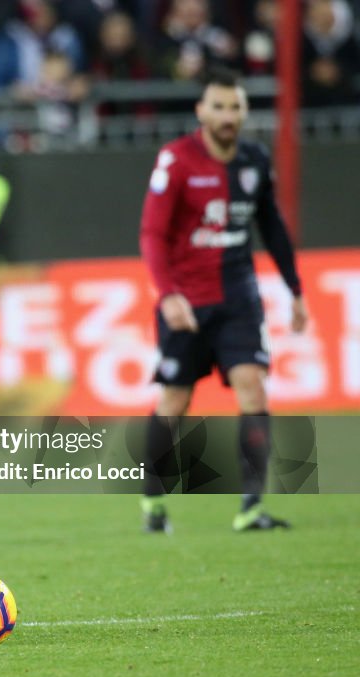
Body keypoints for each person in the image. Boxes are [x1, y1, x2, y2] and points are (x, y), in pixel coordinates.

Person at [138, 68, 307, 534]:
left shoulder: (254, 160)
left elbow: (272, 227)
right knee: (175, 400)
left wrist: (295, 289)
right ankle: (153, 502)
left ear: (245, 111)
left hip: (238, 299)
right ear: (201, 111)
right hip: (186, 303)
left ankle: (251, 507)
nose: (228, 115)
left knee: (253, 387)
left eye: (235, 106)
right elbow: (152, 233)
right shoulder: (176, 160)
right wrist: (168, 294)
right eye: (219, 106)